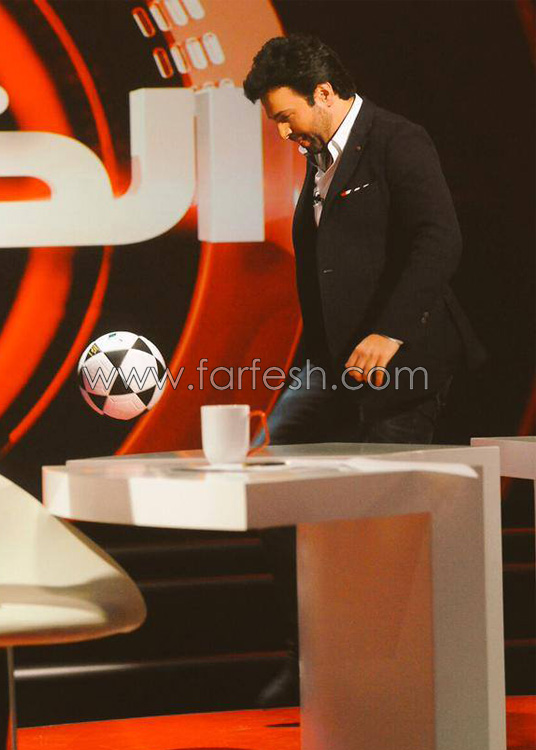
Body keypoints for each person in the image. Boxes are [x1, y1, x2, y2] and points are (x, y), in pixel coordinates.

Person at [242, 34, 485, 706]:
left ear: (323, 92)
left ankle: (384, 676)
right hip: (330, 364)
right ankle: (312, 655)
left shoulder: (397, 140)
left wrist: (390, 331)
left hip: (404, 361)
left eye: (286, 115)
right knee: (269, 478)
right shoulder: (319, 154)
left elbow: (439, 238)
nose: (282, 131)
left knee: (384, 517)